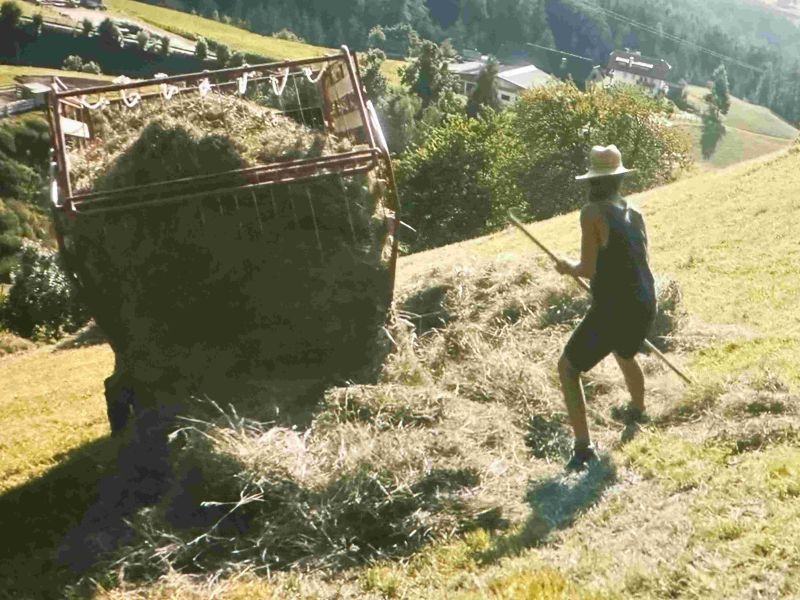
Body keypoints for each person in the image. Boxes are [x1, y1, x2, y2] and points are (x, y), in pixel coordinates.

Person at [554, 145, 656, 472]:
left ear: (592, 180)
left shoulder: (592, 213)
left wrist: (567, 267)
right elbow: (634, 260)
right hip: (645, 300)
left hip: (615, 307)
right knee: (624, 352)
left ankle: (583, 448)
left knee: (568, 369)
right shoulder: (634, 212)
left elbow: (587, 267)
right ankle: (638, 411)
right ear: (619, 179)